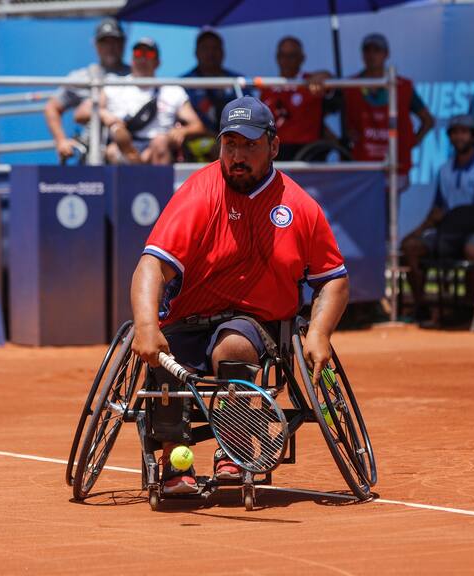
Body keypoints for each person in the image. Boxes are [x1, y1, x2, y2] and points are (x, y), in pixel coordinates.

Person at [130, 96, 350, 493]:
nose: (237, 156)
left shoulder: (299, 206)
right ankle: (175, 460)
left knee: (233, 345)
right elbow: (151, 266)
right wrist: (146, 326)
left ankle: (232, 447)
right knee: (164, 354)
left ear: (273, 146)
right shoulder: (199, 192)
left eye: (249, 145)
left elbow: (333, 279)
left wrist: (319, 333)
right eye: (230, 145)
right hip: (189, 314)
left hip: (254, 322)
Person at [401, 114, 474, 321]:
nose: (459, 137)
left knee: (472, 249)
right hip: (448, 232)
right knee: (410, 247)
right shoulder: (444, 169)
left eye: (464, 132)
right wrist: (417, 231)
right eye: (454, 132)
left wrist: (448, 219)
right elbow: (437, 208)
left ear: (473, 136)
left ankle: (468, 306)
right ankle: (422, 306)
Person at [343, 33, 434, 191]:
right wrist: (344, 138)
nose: (371, 55)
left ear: (386, 54)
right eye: (367, 50)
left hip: (395, 166)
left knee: (390, 206)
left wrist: (410, 143)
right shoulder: (350, 86)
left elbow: (428, 121)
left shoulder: (402, 86)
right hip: (362, 165)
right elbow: (329, 116)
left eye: (377, 50)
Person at [99, 38, 205, 165]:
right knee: (114, 145)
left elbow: (198, 126)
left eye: (149, 54)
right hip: (126, 144)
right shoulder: (114, 85)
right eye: (138, 53)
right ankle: (133, 156)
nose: (143, 59)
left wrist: (182, 131)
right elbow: (85, 111)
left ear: (158, 62)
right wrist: (105, 115)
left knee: (159, 142)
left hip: (159, 146)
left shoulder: (172, 90)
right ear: (131, 59)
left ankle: (138, 162)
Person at [44, 17, 130, 161]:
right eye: (104, 42)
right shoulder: (83, 77)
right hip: (96, 151)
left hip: (131, 147)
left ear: (123, 43)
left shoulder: (136, 76)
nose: (110, 47)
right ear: (95, 44)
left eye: (115, 41)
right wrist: (61, 141)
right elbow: (52, 107)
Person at [259, 36, 336, 161]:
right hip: (277, 151)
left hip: (307, 153)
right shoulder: (268, 88)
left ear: (302, 58)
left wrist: (324, 76)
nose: (286, 60)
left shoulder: (310, 82)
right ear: (277, 58)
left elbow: (328, 80)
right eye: (282, 55)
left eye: (292, 56)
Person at [182, 27, 247, 161]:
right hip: (198, 140)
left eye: (215, 48)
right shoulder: (183, 83)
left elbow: (249, 116)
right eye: (205, 48)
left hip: (235, 139)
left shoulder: (237, 81)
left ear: (223, 52)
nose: (210, 53)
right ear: (196, 52)